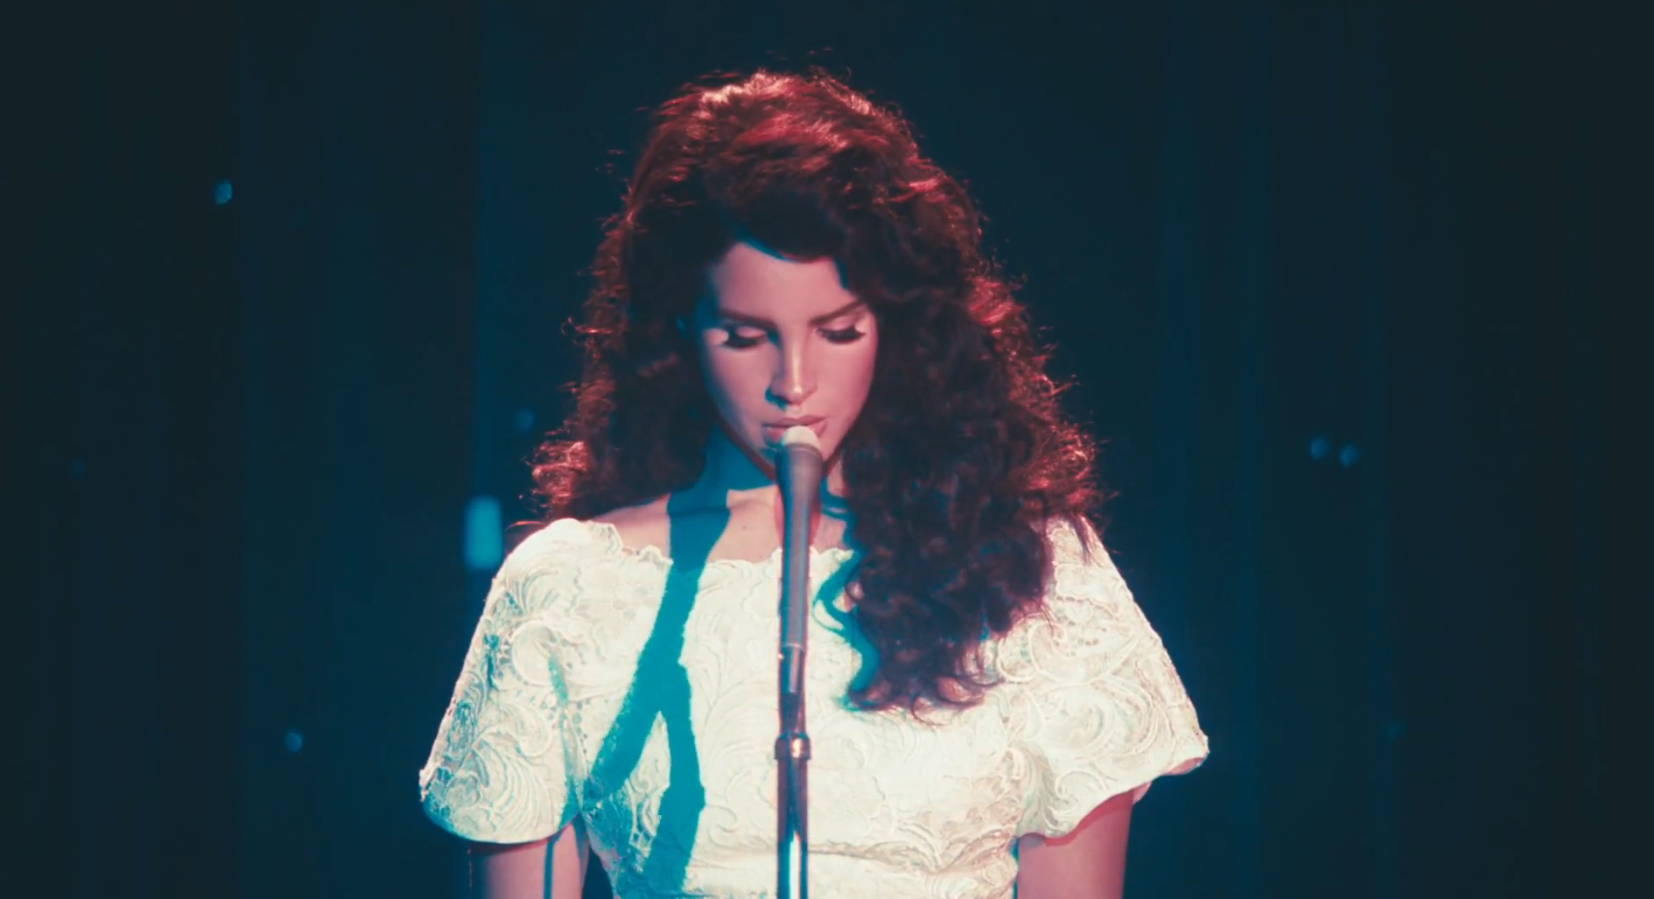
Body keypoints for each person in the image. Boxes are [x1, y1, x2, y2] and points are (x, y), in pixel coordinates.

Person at [419, 68, 1207, 899]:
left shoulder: (1029, 569)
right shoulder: (567, 587)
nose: (793, 383)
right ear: (682, 324)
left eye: (837, 332)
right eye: (745, 336)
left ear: (893, 323)